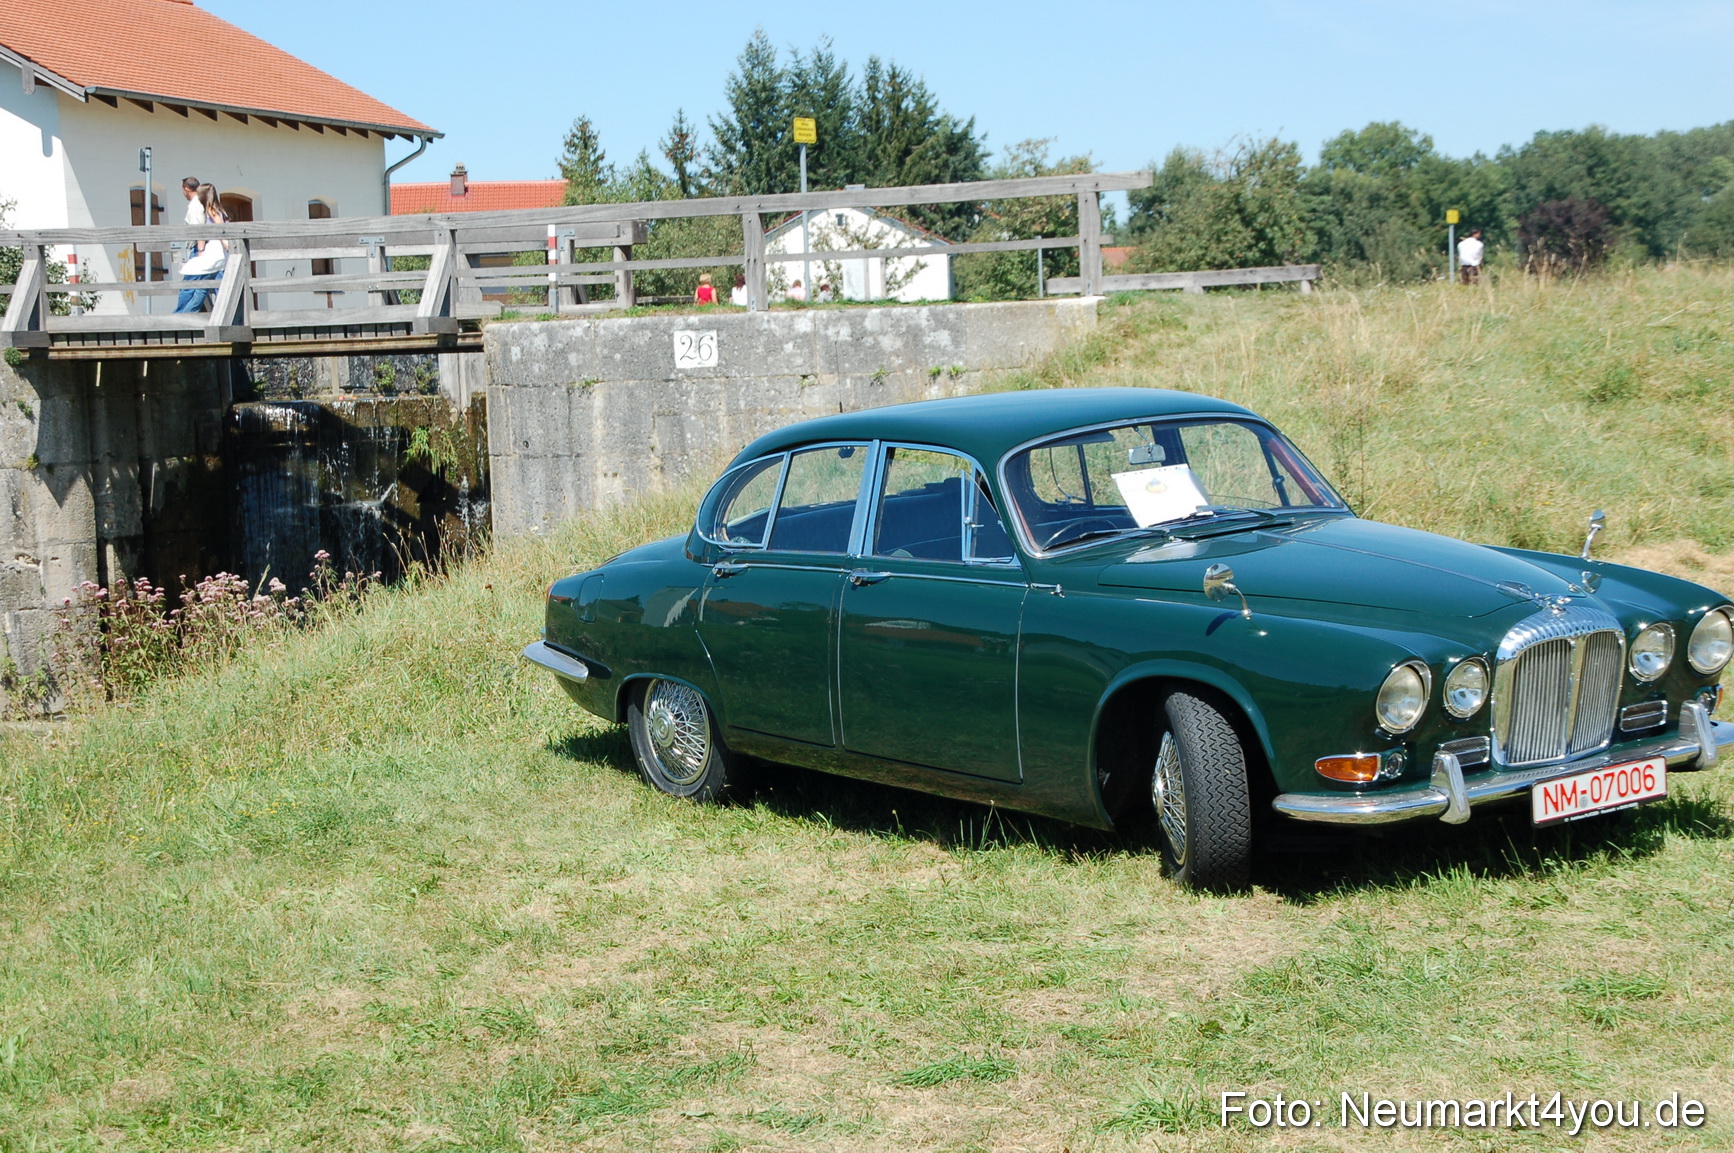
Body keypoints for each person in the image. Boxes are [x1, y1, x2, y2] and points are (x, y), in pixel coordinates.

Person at [174, 184, 229, 312]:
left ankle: (183, 314)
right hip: (218, 254)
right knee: (206, 286)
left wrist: (201, 250)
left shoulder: (210, 210)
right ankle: (221, 311)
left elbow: (218, 228)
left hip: (211, 251)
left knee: (193, 282)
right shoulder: (219, 209)